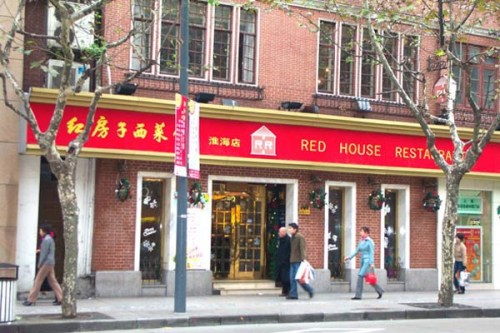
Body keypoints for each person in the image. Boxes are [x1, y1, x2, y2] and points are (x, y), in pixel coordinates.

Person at [23, 224, 63, 306]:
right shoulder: (50, 239)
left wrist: (39, 263)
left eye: (40, 230)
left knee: (38, 281)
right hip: (50, 262)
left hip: (46, 263)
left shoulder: (46, 240)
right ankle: (61, 298)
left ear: (44, 231)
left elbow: (43, 254)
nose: (39, 232)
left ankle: (31, 299)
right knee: (53, 281)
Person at [344, 226, 384, 300]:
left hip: (367, 262)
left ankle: (358, 295)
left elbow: (371, 252)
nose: (360, 232)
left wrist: (371, 263)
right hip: (362, 261)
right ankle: (380, 290)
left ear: (366, 233)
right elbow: (356, 251)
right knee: (369, 279)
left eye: (361, 231)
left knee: (360, 276)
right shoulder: (361, 241)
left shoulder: (370, 241)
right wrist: (349, 257)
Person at [287, 223, 314, 300]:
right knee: (292, 278)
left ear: (295, 229)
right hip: (292, 260)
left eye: (290, 228)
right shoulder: (292, 237)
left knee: (299, 278)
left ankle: (310, 290)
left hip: (298, 261)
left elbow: (303, 249)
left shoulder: (299, 237)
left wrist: (304, 259)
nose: (289, 230)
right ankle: (293, 294)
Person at [275, 227, 291, 296]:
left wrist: (286, 259)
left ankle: (287, 291)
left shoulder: (288, 240)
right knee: (282, 277)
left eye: (280, 232)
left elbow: (289, 251)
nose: (279, 233)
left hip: (286, 262)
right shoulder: (280, 240)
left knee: (286, 278)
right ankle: (284, 291)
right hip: (280, 261)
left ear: (284, 233)